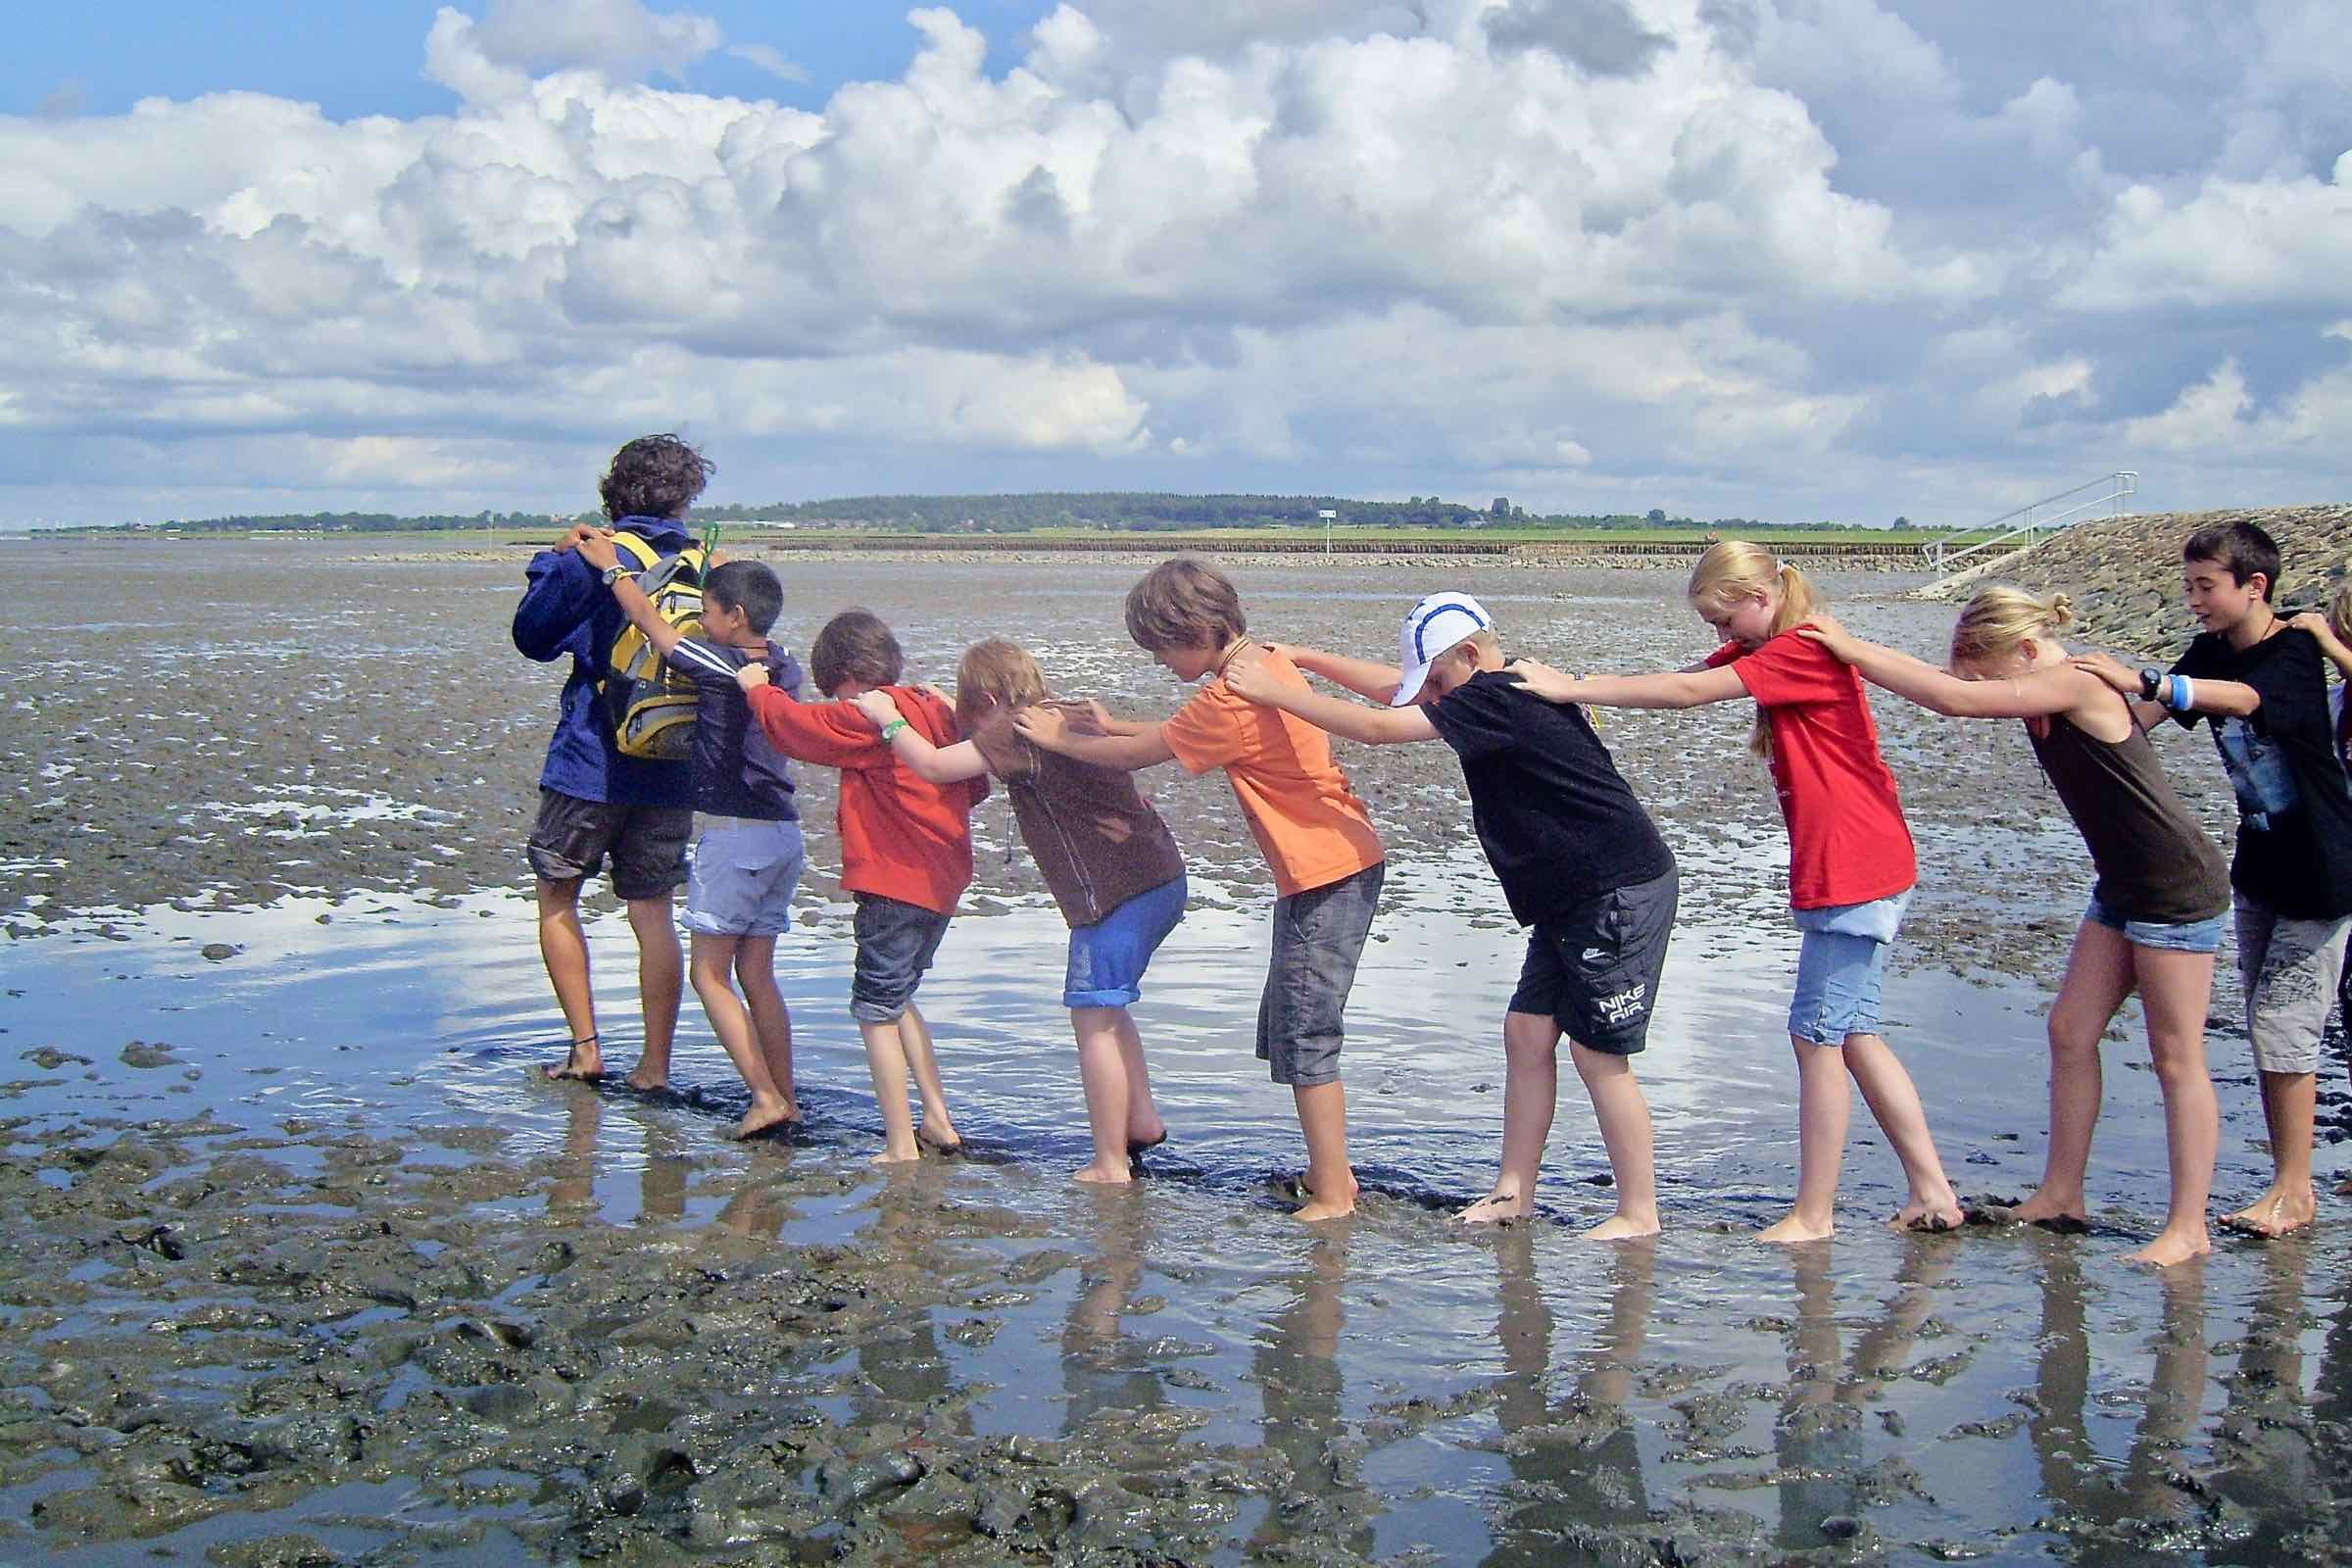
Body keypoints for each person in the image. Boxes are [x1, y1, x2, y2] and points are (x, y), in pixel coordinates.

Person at [1507, 540, 1963, 1244]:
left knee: (1816, 1039)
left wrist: (1571, 687)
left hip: (1856, 865)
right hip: (1857, 861)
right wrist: (1569, 684)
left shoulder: (1801, 648)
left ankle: (1814, 1217)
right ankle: (1933, 1191)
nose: (1723, 639)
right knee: (1857, 1035)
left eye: (1727, 622)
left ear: (1765, 595)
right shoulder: (1776, 644)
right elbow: (1686, 680)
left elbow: (1689, 692)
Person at [1221, 593, 1675, 1239]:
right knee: (1526, 1034)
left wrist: (1276, 690)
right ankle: (1513, 1192)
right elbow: (1395, 692)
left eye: (1437, 680)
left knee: (1598, 1055)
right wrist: (1306, 659)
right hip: (1570, 897)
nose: (1430, 694)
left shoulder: (1498, 696)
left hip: (1618, 890)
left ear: (1469, 655)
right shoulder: (1493, 681)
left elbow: (1380, 726)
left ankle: (1639, 1211)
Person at [1802, 590, 2228, 1267]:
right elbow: (1953, 687)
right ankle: (2062, 1194)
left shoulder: (2074, 682)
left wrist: (1849, 649)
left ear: (2026, 651)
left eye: (1997, 674)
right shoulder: (2040, 680)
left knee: (2177, 1058)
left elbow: (1955, 701)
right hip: (2122, 885)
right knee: (2069, 1030)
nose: (1996, 692)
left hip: (2176, 886)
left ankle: (2187, 1227)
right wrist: (1848, 643)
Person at [1013, 559, 1386, 1222]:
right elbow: (1167, 733)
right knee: (1293, 1025)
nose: (1158, 660)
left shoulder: (1231, 696)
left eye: (1160, 646)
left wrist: (1061, 738)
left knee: (1305, 1034)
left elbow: (1143, 753)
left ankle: (1333, 1195)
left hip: (1329, 870)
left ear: (1196, 630)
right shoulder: (1258, 665)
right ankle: (1330, 1173)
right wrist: (1103, 728)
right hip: (1331, 866)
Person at [2075, 521, 2352, 1238]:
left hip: (2324, 875)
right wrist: (2065, 706)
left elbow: (2243, 701)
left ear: (2254, 585)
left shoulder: (2290, 652)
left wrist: (2144, 679)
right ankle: (2286, 1181)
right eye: (2188, 585)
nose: (2192, 600)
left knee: (2283, 1029)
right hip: (2260, 866)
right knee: (2270, 1029)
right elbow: (2146, 718)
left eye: (2205, 587)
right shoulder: (2209, 650)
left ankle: (2295, 1191)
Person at [851, 639, 1188, 1184]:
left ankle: (1108, 1163)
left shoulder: (1013, 733)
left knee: (1093, 1019)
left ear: (985, 699)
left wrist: (888, 719)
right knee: (1113, 1006)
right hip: (1162, 877)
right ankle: (1142, 1121)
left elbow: (935, 766)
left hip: (1113, 895)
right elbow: (981, 748)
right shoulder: (1061, 712)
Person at [566, 532, 808, 1140]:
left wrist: (610, 569)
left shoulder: (724, 666)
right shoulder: (784, 661)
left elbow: (655, 627)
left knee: (710, 974)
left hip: (735, 838)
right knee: (758, 974)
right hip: (784, 836)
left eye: (709, 610)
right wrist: (720, 574)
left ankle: (763, 1096)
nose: (700, 618)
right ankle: (788, 1095)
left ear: (735, 617)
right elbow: (715, 619)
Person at [736, 610, 986, 1164]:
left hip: (896, 882)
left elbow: (800, 729)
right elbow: (976, 786)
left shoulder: (872, 713)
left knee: (874, 1008)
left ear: (845, 678)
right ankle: (938, 1119)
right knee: (900, 997)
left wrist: (758, 690)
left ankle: (900, 1143)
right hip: (942, 879)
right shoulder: (933, 708)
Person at [511, 434, 707, 1090]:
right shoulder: (706, 565)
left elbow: (531, 637)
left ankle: (587, 1049)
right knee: (653, 913)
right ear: (686, 496)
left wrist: (555, 559)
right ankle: (654, 1067)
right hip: (674, 764)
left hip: (589, 761)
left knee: (557, 895)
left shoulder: (597, 557)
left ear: (611, 492)